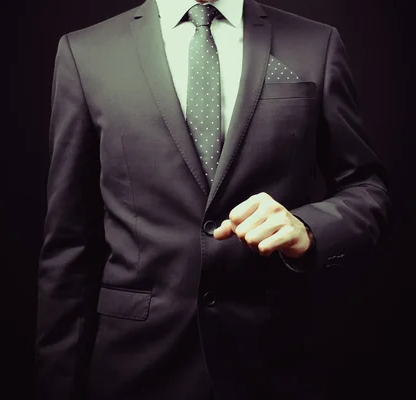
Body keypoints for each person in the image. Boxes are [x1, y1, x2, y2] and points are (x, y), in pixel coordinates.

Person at [36, 0, 391, 398]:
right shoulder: (86, 53)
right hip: (135, 367)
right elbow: (69, 245)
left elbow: (367, 188)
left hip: (274, 363)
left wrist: (309, 228)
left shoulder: (315, 43)